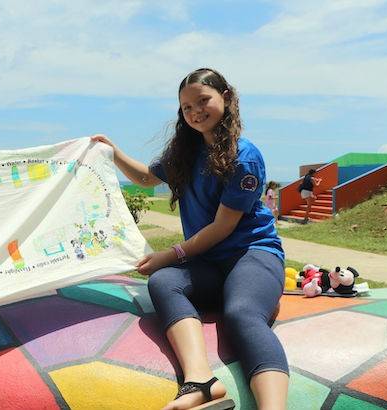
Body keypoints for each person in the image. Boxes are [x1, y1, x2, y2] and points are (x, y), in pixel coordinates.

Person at [92, 68, 287, 410]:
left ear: (226, 97)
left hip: (251, 255)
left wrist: (172, 253)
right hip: (210, 263)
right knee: (164, 282)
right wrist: (112, 152)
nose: (195, 111)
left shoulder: (245, 156)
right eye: (186, 107)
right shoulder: (186, 152)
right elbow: (145, 177)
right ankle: (200, 381)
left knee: (241, 312)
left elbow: (222, 228)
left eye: (203, 101)